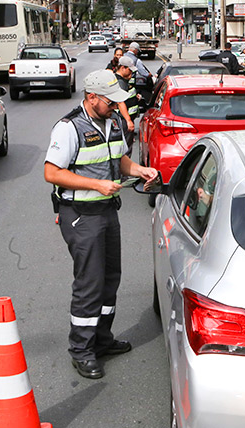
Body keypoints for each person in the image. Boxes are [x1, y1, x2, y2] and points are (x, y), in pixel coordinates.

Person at [44, 69, 157, 379]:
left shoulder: (112, 122)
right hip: (81, 214)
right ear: (91, 97)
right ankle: (81, 350)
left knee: (110, 278)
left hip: (107, 211)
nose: (114, 106)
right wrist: (96, 186)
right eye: (110, 101)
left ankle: (101, 340)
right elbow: (52, 173)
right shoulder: (69, 128)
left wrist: (139, 170)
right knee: (89, 284)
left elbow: (120, 161)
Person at [114, 55, 142, 157]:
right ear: (123, 68)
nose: (132, 73)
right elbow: (120, 102)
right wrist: (128, 120)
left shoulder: (124, 81)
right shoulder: (120, 82)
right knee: (125, 149)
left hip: (126, 119)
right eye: (130, 70)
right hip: (124, 121)